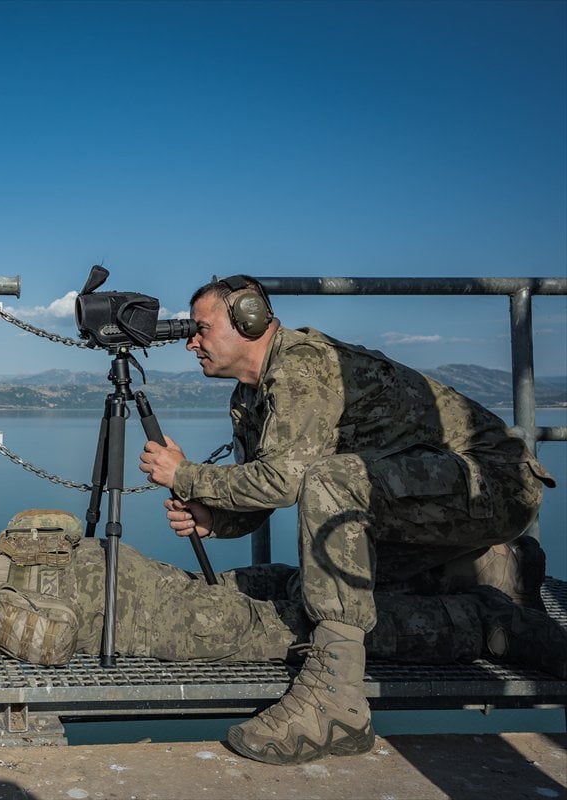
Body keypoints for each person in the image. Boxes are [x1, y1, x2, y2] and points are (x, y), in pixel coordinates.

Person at [0, 437, 563, 701]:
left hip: (109, 610)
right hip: (93, 575)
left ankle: (496, 625)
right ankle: (475, 570)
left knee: (289, 630)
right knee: (268, 589)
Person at [138, 275, 559, 766]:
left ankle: (335, 700)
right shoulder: (249, 398)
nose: (190, 343)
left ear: (249, 320)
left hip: (495, 483)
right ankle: (489, 569)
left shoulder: (301, 366)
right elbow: (262, 496)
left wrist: (185, 475)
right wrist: (215, 518)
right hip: (439, 501)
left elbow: (285, 482)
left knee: (333, 482)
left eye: (201, 329)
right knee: (322, 585)